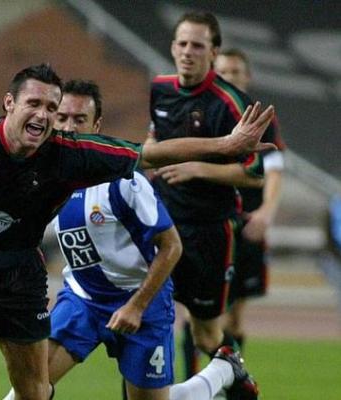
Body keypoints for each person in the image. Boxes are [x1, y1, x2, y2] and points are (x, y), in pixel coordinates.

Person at [0, 63, 274, 400]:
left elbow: (150, 155)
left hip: (23, 275)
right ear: (9, 103)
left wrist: (226, 146)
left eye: (52, 108)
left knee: (34, 392)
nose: (45, 116)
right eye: (36, 104)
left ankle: (221, 373)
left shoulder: (72, 155)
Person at [2, 80, 258, 400]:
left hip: (142, 302)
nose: (69, 127)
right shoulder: (42, 171)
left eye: (80, 120)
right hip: (82, 299)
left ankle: (223, 370)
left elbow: (172, 246)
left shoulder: (123, 179)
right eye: (63, 117)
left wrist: (136, 307)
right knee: (27, 392)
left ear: (96, 125)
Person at [147, 11, 277, 384]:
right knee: (141, 321)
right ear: (173, 47)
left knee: (207, 333)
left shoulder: (231, 102)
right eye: (182, 43)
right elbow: (154, 135)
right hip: (161, 226)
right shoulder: (160, 88)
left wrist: (197, 168)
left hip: (208, 233)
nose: (188, 52)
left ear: (213, 52)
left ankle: (238, 381)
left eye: (198, 45)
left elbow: (254, 174)